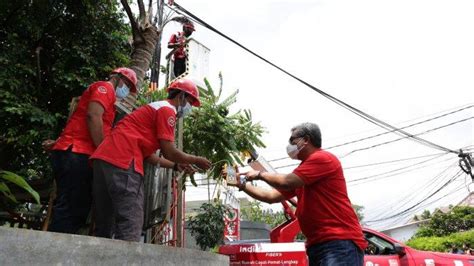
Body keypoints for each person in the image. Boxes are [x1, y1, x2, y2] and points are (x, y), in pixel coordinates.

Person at [90, 78, 212, 242]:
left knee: (105, 223)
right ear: (181, 96)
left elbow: (149, 156)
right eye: (190, 102)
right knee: (130, 223)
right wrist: (196, 159)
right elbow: (169, 151)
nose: (189, 108)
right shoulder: (167, 110)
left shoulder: (153, 109)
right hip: (123, 162)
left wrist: (176, 166)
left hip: (104, 160)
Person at [230, 122, 367, 266]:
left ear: (306, 140)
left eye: (292, 140)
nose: (290, 145)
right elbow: (271, 196)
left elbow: (286, 182)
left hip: (339, 242)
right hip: (319, 244)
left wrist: (259, 174)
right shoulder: (303, 172)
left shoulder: (322, 158)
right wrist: (242, 184)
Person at [44, 67, 137, 234]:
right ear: (118, 77)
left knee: (77, 206)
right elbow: (93, 116)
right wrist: (103, 152)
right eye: (128, 84)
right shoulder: (105, 88)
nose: (127, 90)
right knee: (71, 207)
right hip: (77, 153)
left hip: (76, 152)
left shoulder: (107, 96)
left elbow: (80, 124)